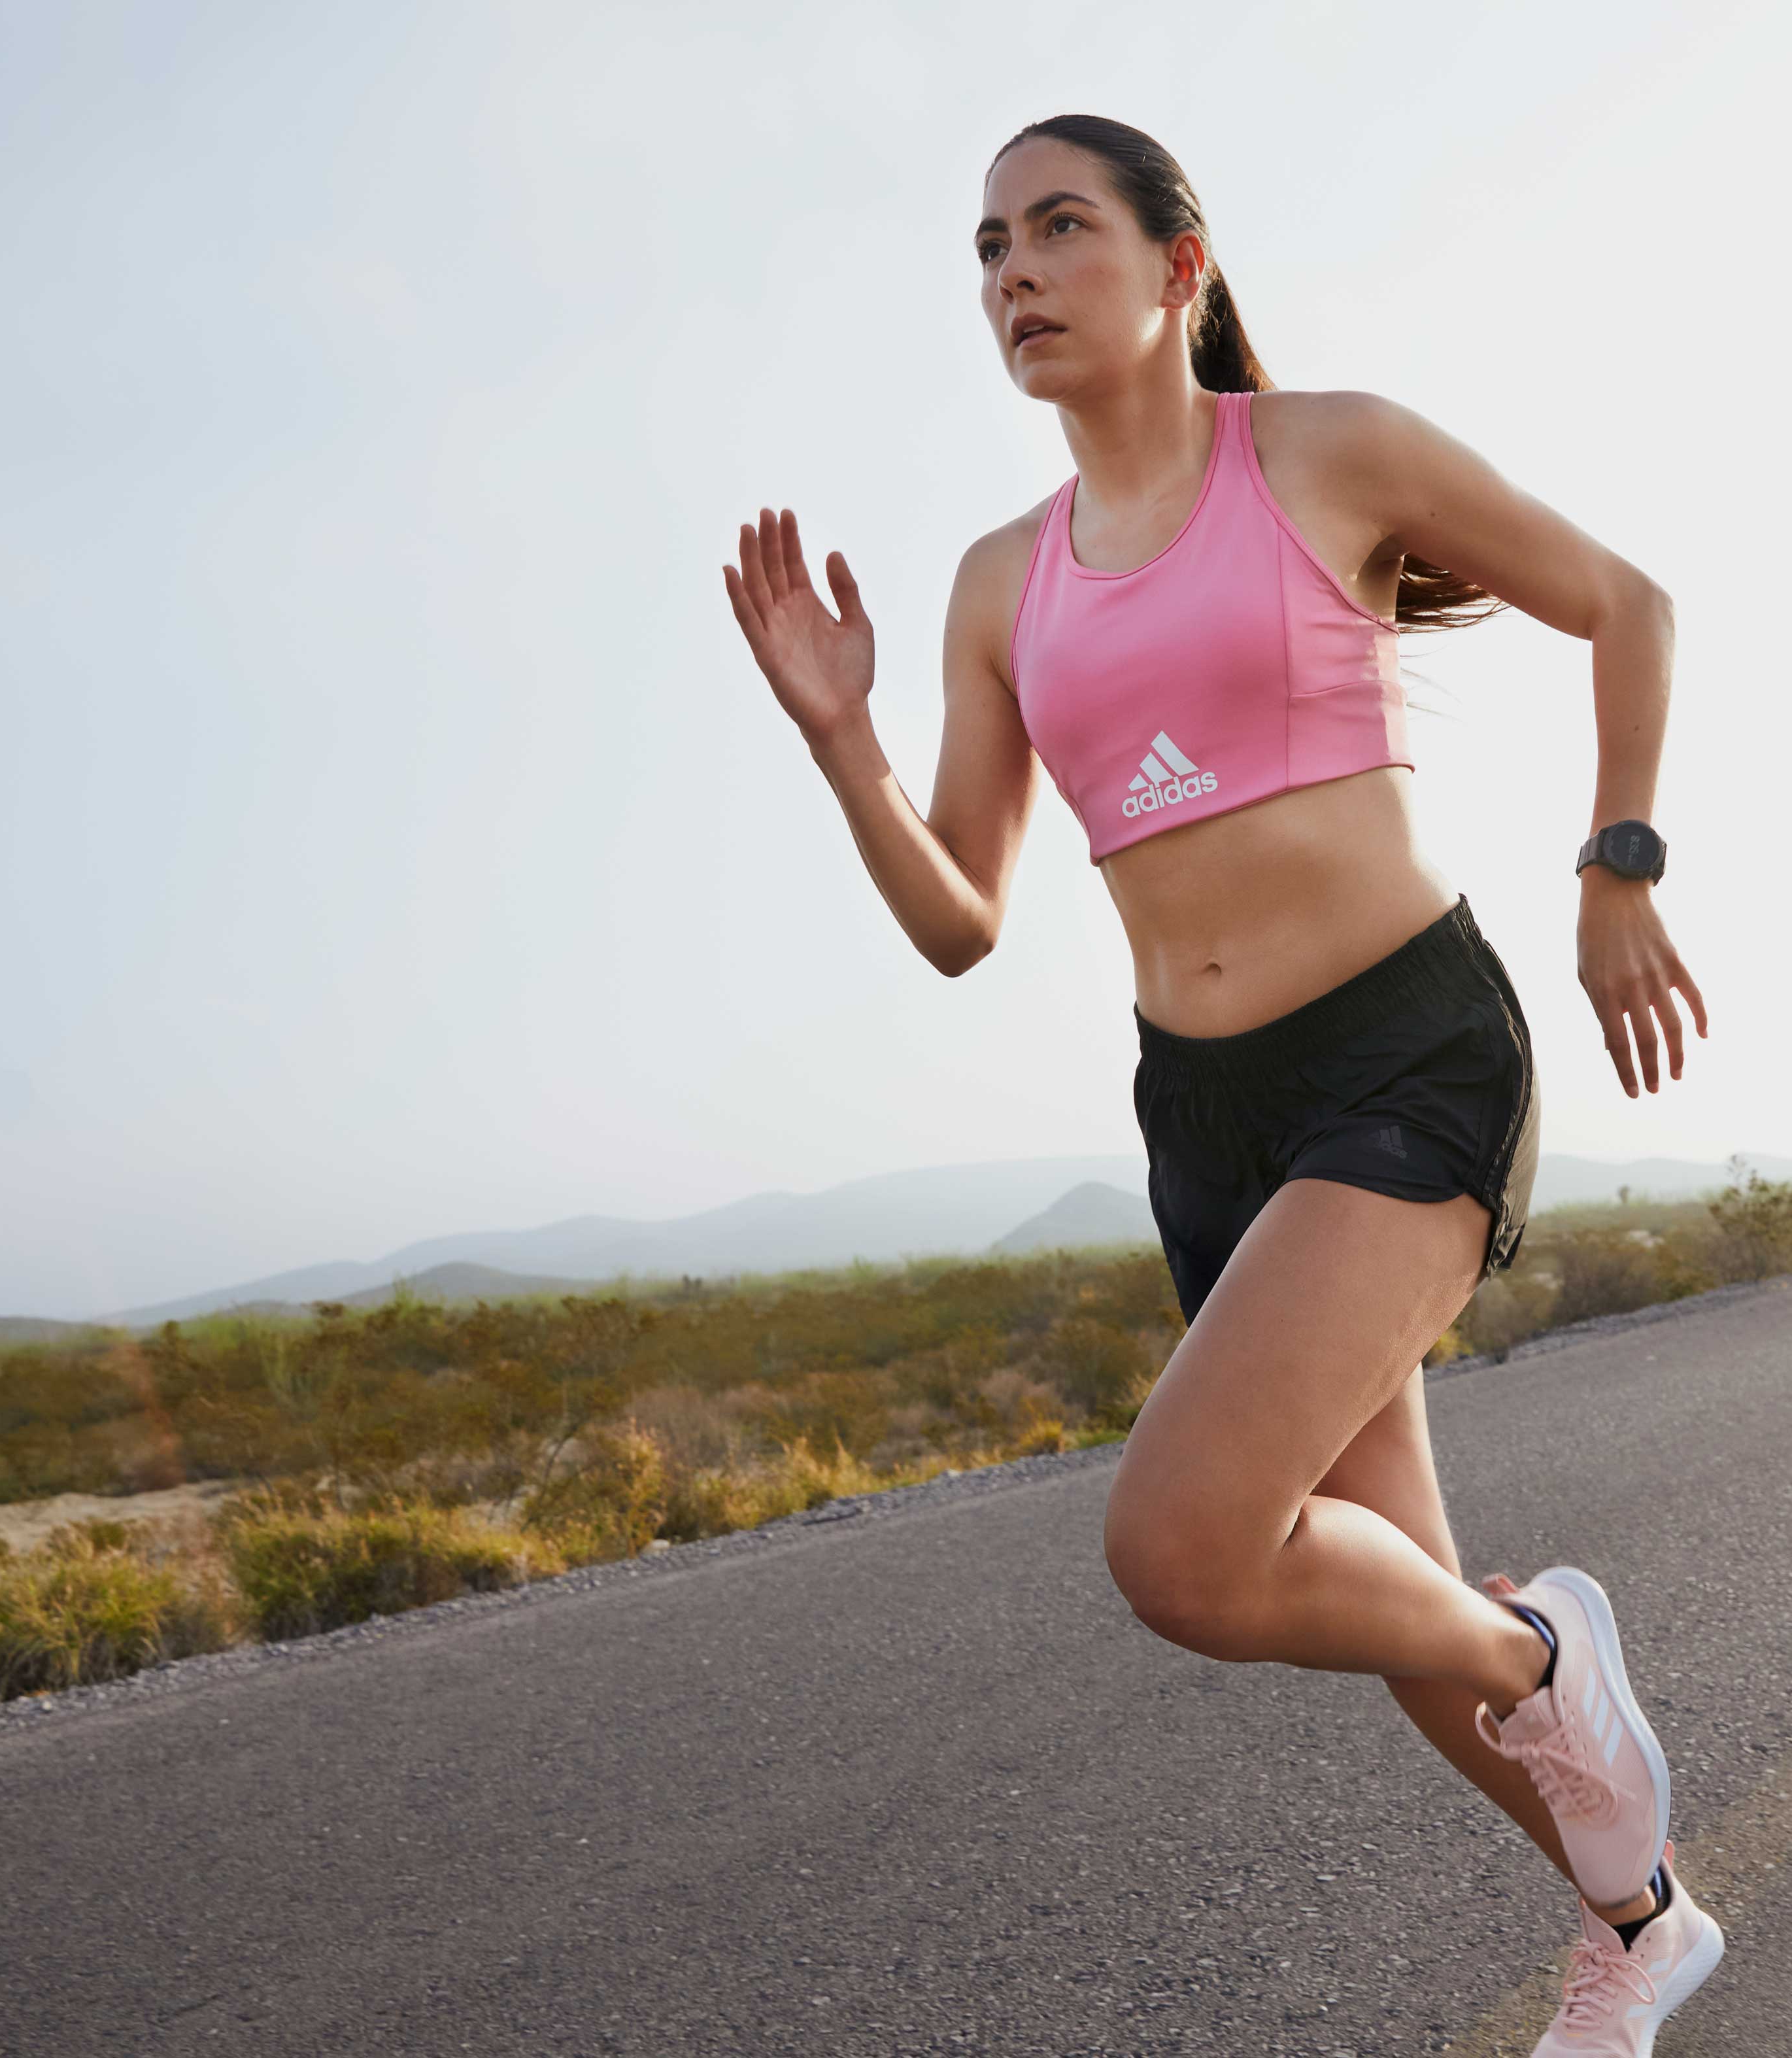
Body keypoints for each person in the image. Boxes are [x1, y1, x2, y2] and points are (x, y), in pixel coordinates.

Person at [721, 112, 1721, 2055]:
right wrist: (844, 738)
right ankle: (1642, 1919)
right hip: (1205, 1118)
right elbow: (960, 921)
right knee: (1381, 1597)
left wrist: (1619, 864)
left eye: (1058, 227)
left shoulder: (1324, 454)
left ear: (1180, 265)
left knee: (1185, 1546)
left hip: (1404, 1057)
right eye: (989, 246)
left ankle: (1546, 1652)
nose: (1015, 271)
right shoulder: (1000, 584)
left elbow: (1630, 602)